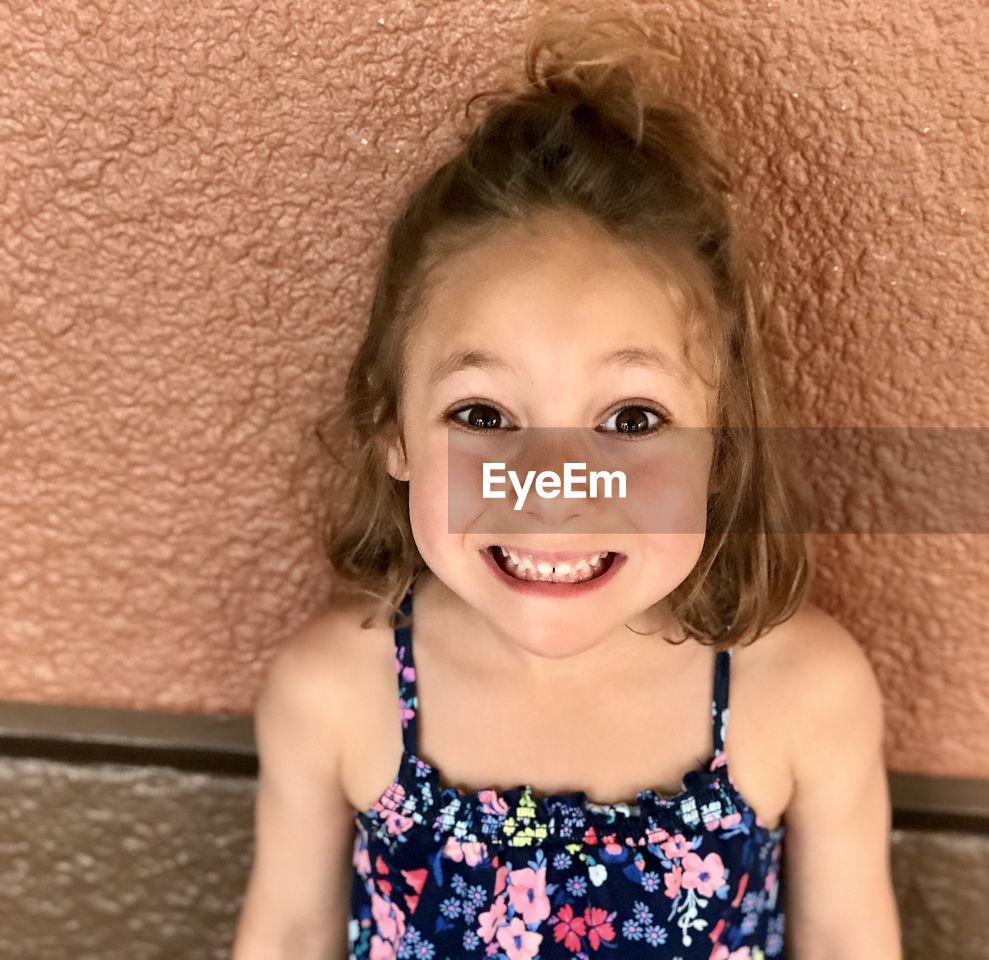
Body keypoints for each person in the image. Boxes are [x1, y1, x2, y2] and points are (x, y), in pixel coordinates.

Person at [233, 11, 899, 960]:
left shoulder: (798, 692)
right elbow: (291, 934)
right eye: (484, 416)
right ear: (395, 435)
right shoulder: (339, 692)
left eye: (632, 421)